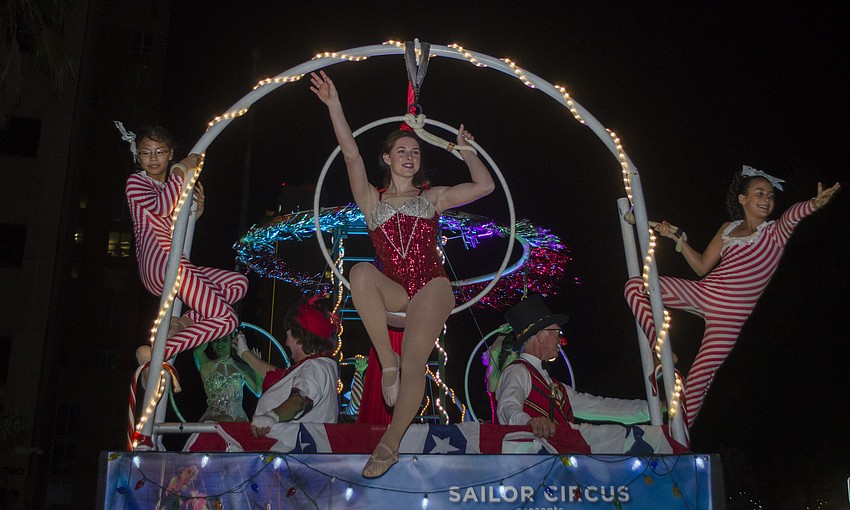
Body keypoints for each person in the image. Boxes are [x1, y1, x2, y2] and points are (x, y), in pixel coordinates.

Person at [310, 70, 495, 478]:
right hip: (394, 291)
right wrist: (334, 105)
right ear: (387, 159)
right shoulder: (370, 200)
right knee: (360, 272)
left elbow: (484, 186)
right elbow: (350, 154)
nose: (410, 156)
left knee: (417, 363)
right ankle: (385, 359)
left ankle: (389, 443)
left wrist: (463, 148)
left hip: (432, 285)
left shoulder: (432, 198)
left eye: (415, 151)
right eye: (401, 151)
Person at [624, 166, 840, 429]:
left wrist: (813, 205)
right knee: (635, 287)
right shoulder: (728, 229)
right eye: (760, 193)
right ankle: (663, 348)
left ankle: (676, 441)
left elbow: (792, 216)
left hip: (729, 320)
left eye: (771, 196)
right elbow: (703, 267)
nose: (767, 200)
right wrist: (675, 239)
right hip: (705, 293)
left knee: (698, 382)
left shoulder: (774, 233)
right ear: (743, 198)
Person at [124, 126, 249, 365]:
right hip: (159, 263)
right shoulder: (136, 183)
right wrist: (180, 169)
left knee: (238, 283)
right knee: (226, 319)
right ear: (138, 156)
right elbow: (161, 208)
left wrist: (195, 215)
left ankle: (182, 323)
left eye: (159, 152)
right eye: (145, 153)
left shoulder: (171, 186)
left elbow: (170, 223)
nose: (152, 159)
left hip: (173, 261)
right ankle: (160, 351)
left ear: (170, 153)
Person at [497, 295, 651, 439]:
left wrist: (652, 409)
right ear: (540, 336)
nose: (561, 339)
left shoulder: (556, 387)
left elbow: (601, 406)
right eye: (557, 332)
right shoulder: (517, 371)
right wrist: (529, 422)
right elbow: (507, 408)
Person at [237, 298, 340, 437]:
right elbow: (278, 376)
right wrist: (245, 354)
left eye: (288, 335)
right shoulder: (317, 366)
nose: (286, 343)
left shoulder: (315, 366)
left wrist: (272, 416)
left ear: (299, 337)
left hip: (290, 453)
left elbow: (300, 399)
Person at [193, 330, 262, 422]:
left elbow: (258, 391)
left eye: (224, 340)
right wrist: (213, 328)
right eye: (217, 340)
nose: (220, 344)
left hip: (239, 420)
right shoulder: (206, 365)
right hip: (215, 419)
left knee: (238, 422)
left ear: (231, 342)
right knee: (227, 419)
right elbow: (197, 351)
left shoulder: (242, 368)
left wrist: (255, 365)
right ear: (212, 343)